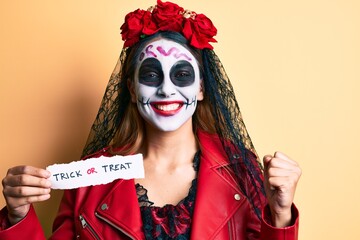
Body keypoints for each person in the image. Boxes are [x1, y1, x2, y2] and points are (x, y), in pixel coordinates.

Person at [0, 1, 301, 239]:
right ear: (131, 89)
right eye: (151, 74)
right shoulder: (88, 181)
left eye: (182, 75)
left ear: (200, 88)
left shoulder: (242, 170)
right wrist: (17, 216)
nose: (166, 88)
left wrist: (282, 215)